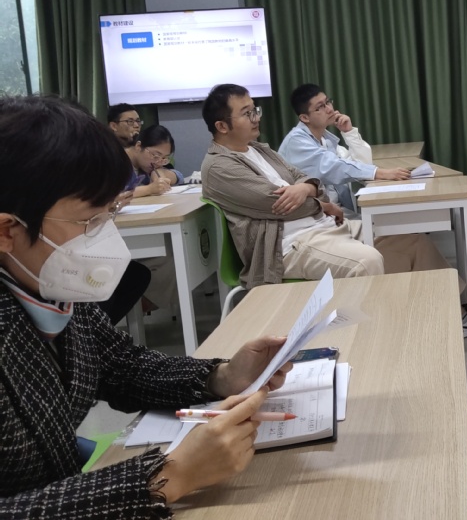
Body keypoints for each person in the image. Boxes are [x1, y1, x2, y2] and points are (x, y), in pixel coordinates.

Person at [0, 94, 293, 517]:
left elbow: (121, 367)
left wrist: (223, 376)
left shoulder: (44, 283)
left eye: (109, 214)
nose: (103, 238)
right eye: (88, 222)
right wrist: (168, 477)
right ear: (7, 231)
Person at [278, 83, 467, 338]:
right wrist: (380, 173)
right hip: (318, 229)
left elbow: (359, 164)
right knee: (376, 256)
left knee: (415, 241)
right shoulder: (297, 142)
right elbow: (336, 168)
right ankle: (396, 327)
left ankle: (454, 312)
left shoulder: (326, 139)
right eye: (320, 107)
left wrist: (349, 132)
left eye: (328, 101)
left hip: (338, 222)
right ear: (304, 117)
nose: (329, 108)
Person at [201, 84, 387, 288]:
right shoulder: (219, 167)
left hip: (323, 226)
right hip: (289, 245)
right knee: (366, 262)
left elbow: (306, 178)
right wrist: (323, 205)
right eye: (247, 113)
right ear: (222, 126)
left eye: (255, 110)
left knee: (402, 237)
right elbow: (278, 205)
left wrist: (306, 188)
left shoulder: (258, 149)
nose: (257, 118)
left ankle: (396, 306)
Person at [126, 124, 184, 198]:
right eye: (156, 156)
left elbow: (179, 176)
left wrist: (160, 173)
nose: (158, 163)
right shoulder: (116, 160)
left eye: (164, 158)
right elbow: (115, 195)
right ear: (138, 146)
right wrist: (149, 189)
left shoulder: (145, 165)